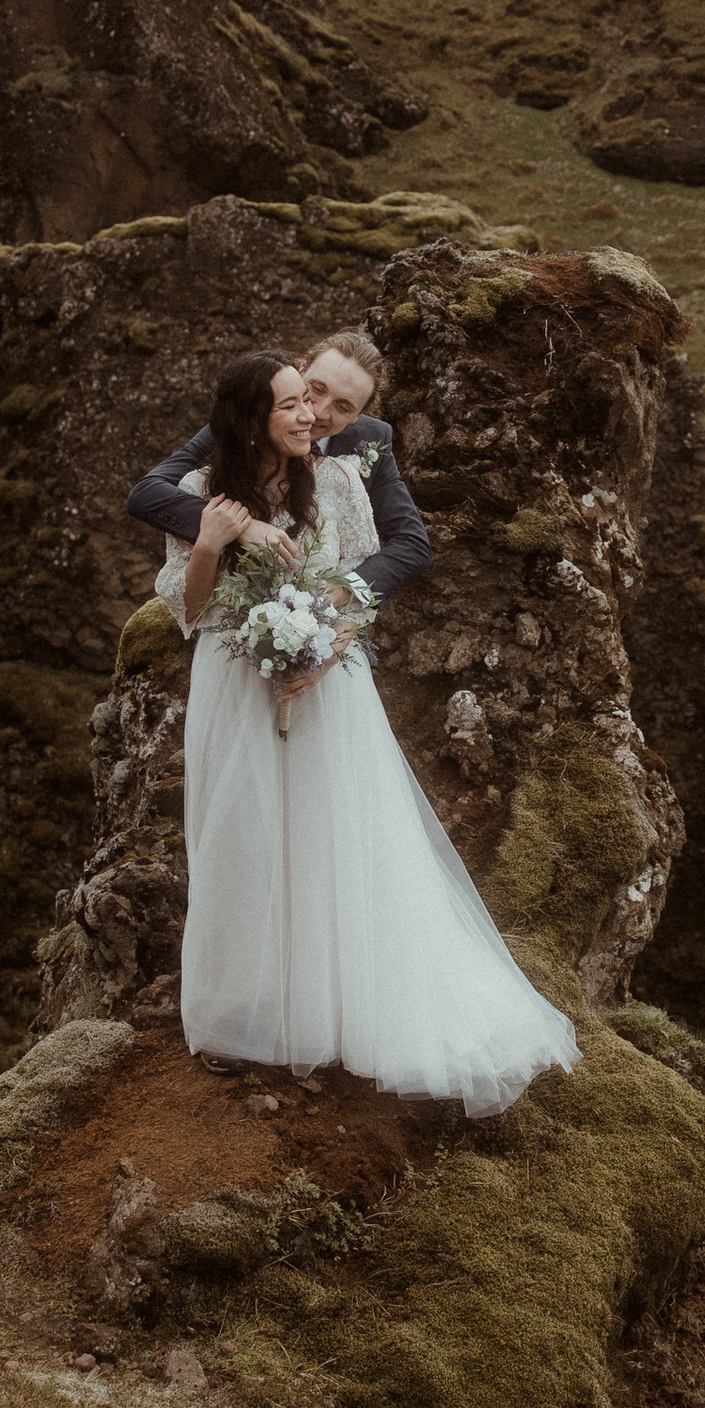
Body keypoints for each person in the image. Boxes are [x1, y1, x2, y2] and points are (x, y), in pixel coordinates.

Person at [152, 349, 577, 1113]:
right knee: (239, 837)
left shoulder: (341, 481)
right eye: (294, 402)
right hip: (231, 682)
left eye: (319, 405)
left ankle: (330, 1010)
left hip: (326, 685)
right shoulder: (196, 493)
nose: (311, 416)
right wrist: (212, 542)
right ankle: (235, 1018)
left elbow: (364, 575)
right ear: (253, 418)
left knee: (329, 837)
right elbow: (189, 610)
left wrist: (322, 646)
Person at [126, 330, 432, 603]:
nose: (316, 412)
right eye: (315, 389)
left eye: (342, 406)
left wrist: (343, 592)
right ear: (300, 371)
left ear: (358, 416)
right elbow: (146, 493)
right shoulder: (248, 422)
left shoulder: (370, 440)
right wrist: (239, 528)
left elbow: (412, 544)